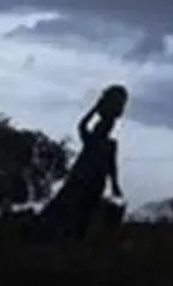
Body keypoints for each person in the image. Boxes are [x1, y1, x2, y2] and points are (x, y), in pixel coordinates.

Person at [38, 85, 126, 240]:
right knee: (65, 207)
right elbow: (82, 125)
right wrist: (96, 107)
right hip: (81, 179)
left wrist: (115, 185)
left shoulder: (108, 144)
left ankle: (72, 239)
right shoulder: (92, 139)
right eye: (101, 125)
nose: (105, 127)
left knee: (85, 213)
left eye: (107, 126)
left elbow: (112, 167)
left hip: (95, 182)